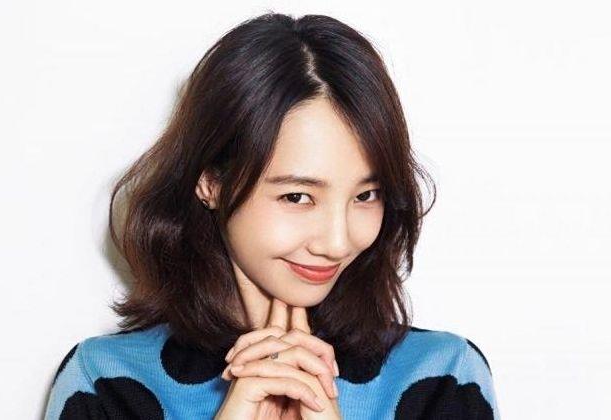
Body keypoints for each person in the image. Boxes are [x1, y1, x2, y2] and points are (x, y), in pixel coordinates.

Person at [44, 12, 499, 419]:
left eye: (366, 195)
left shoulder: (442, 379)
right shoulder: (107, 384)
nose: (337, 242)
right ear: (211, 182)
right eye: (298, 197)